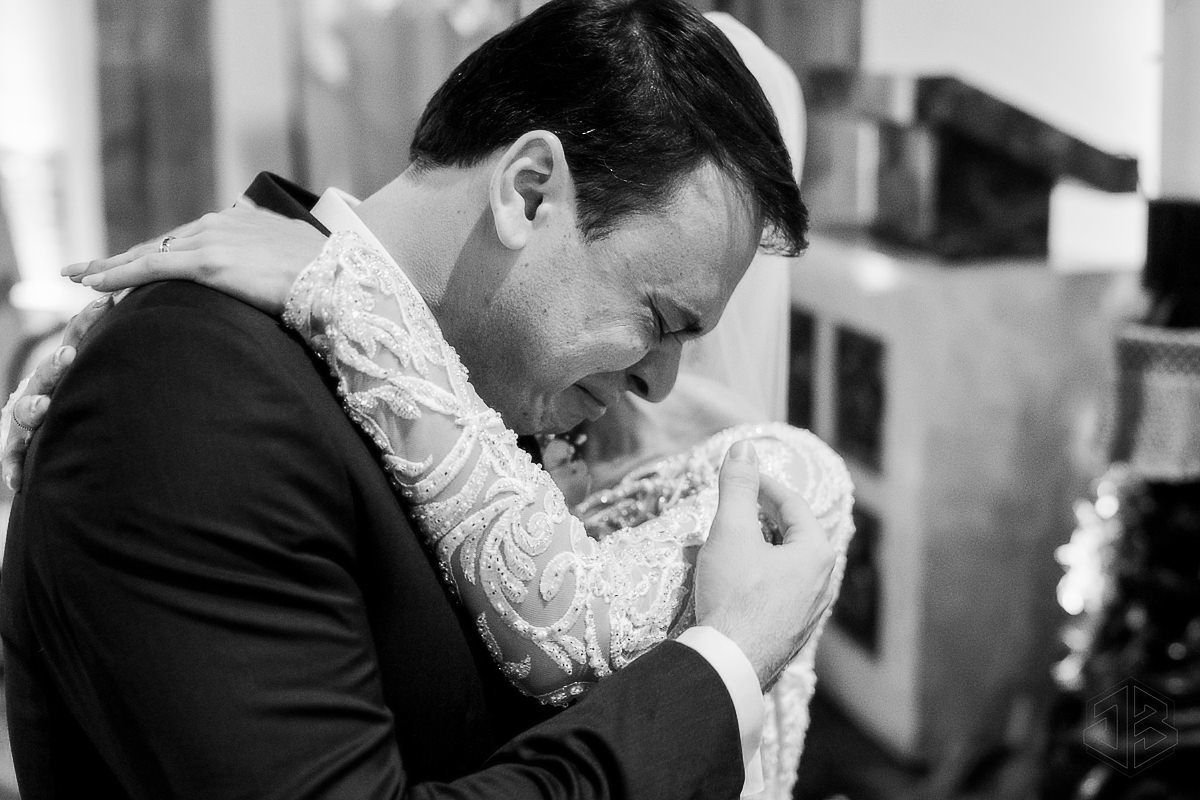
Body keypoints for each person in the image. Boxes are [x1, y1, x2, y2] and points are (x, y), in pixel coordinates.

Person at [2, 2, 843, 798]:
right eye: (658, 320)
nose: (662, 382)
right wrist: (723, 666)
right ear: (528, 192)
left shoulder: (513, 398)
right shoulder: (191, 384)